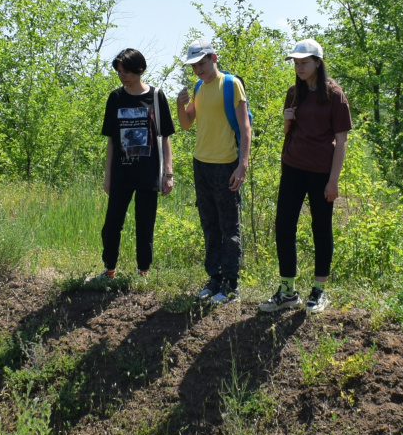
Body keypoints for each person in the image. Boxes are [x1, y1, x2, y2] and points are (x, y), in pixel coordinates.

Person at [260, 40, 351, 315]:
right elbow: (290, 132)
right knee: (284, 225)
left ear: (318, 63)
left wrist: (333, 181)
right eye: (296, 63)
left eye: (304, 63)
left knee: (321, 228)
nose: (299, 68)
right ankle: (287, 291)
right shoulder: (293, 92)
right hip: (293, 167)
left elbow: (342, 140)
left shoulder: (334, 95)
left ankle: (319, 291)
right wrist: (287, 120)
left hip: (321, 171)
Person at [177, 40, 253, 304]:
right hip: (201, 163)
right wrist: (180, 105)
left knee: (228, 225)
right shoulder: (198, 87)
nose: (198, 69)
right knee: (209, 223)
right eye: (194, 65)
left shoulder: (231, 84)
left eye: (202, 63)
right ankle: (214, 278)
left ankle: (231, 284)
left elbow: (245, 128)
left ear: (213, 58)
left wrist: (242, 165)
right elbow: (186, 123)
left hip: (226, 163)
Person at [92, 48, 175, 283]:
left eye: (126, 72)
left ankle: (143, 273)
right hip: (121, 173)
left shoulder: (156, 96)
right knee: (112, 224)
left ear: (139, 70)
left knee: (145, 225)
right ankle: (109, 270)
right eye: (119, 72)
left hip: (148, 173)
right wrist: (108, 176)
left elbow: (165, 137)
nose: (122, 76)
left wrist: (168, 173)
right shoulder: (115, 98)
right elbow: (111, 140)